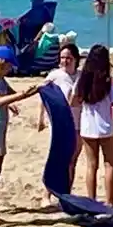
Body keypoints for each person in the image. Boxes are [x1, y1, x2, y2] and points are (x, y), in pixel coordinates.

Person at [0, 45, 41, 224]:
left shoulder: (0, 80)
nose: (10, 69)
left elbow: (7, 94)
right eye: (8, 65)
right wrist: (20, 96)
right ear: (0, 63)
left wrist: (29, 92)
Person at [72, 44, 113, 205]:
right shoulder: (108, 80)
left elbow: (74, 102)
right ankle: (109, 201)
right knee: (109, 164)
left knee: (91, 166)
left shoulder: (82, 80)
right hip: (106, 126)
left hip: (88, 127)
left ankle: (92, 200)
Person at [38, 42, 83, 193]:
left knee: (72, 160)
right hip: (59, 122)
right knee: (57, 159)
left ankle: (66, 192)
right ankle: (48, 194)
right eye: (62, 57)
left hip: (78, 122)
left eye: (68, 58)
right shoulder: (54, 75)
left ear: (75, 59)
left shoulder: (81, 76)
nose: (65, 61)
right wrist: (41, 119)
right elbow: (44, 97)